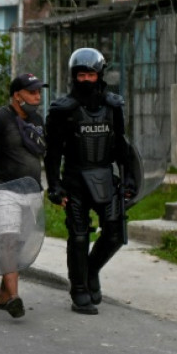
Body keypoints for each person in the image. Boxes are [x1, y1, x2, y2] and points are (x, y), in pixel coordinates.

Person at [45, 48, 135, 315]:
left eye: (91, 74)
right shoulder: (63, 110)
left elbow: (122, 146)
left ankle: (92, 269)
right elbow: (53, 152)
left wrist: (129, 177)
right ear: (74, 76)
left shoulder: (113, 107)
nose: (86, 79)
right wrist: (54, 185)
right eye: (81, 74)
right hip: (74, 179)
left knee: (115, 233)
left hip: (106, 176)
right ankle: (79, 289)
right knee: (80, 235)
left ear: (100, 75)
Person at [0, 73, 48, 319]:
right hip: (4, 189)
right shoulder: (0, 117)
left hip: (31, 190)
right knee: (8, 240)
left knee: (23, 244)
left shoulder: (37, 120)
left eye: (39, 92)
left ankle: (3, 293)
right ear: (17, 95)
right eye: (32, 92)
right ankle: (14, 298)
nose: (37, 96)